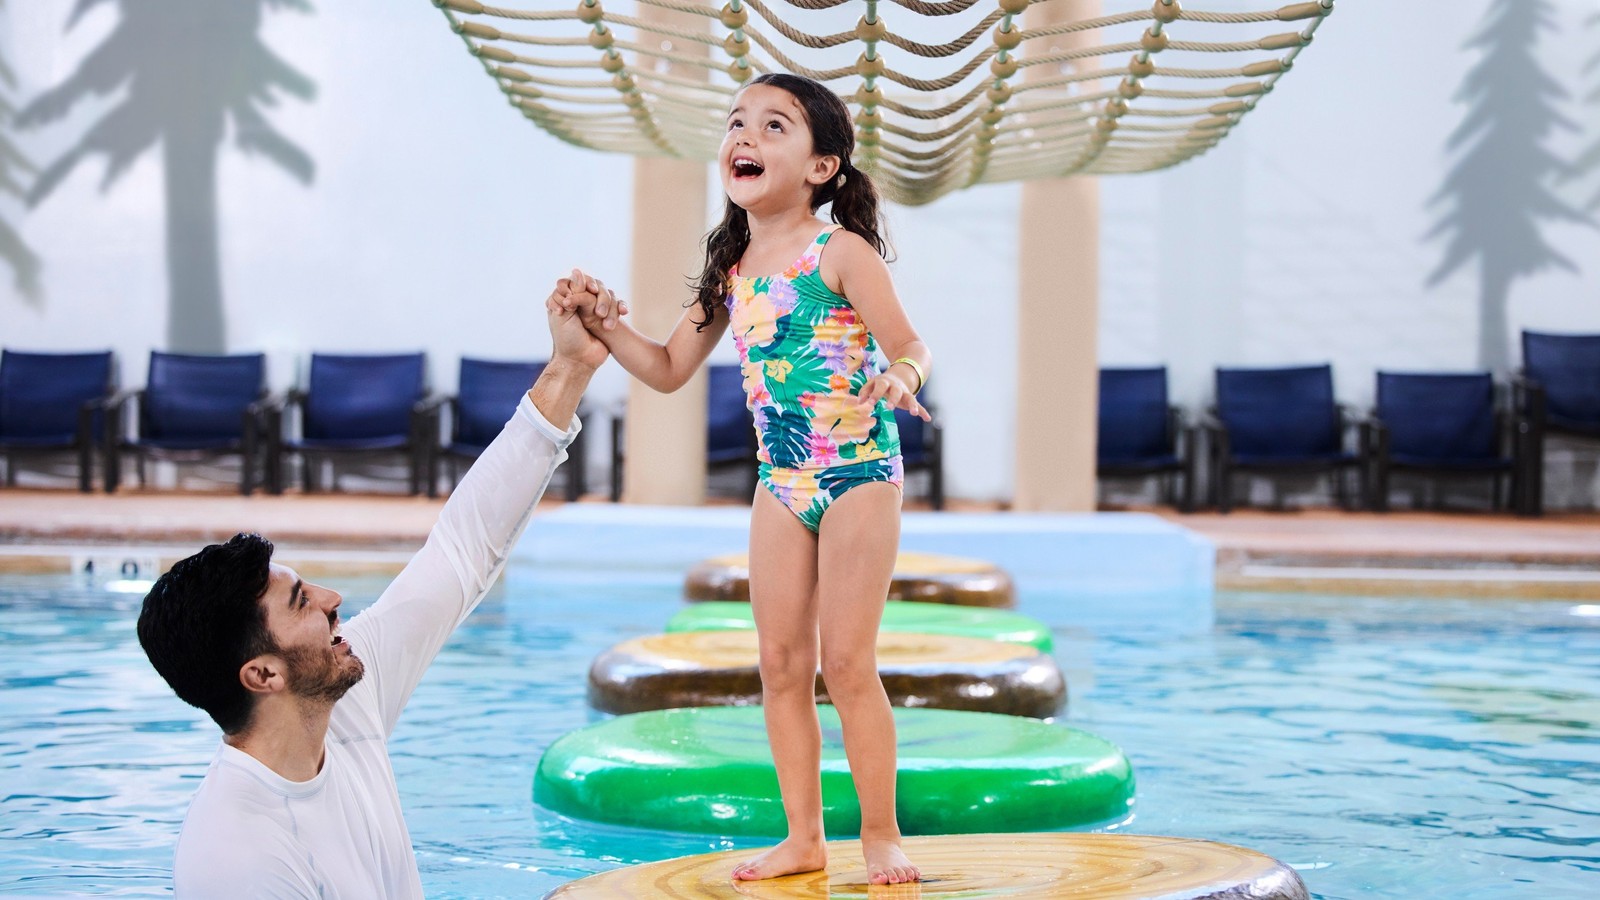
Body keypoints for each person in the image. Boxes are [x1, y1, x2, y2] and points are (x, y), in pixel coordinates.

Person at [552, 72, 931, 885]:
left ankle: (882, 834)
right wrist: (603, 324)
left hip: (858, 471)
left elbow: (910, 344)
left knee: (848, 662)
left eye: (773, 126)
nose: (745, 138)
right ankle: (803, 837)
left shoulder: (841, 252)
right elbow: (664, 369)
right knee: (782, 664)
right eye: (737, 123)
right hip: (781, 480)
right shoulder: (730, 265)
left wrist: (902, 377)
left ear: (822, 167)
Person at [134, 298, 608, 898]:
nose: (335, 599)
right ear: (262, 673)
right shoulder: (238, 859)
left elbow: (463, 548)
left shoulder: (341, 702)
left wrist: (570, 368)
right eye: (302, 602)